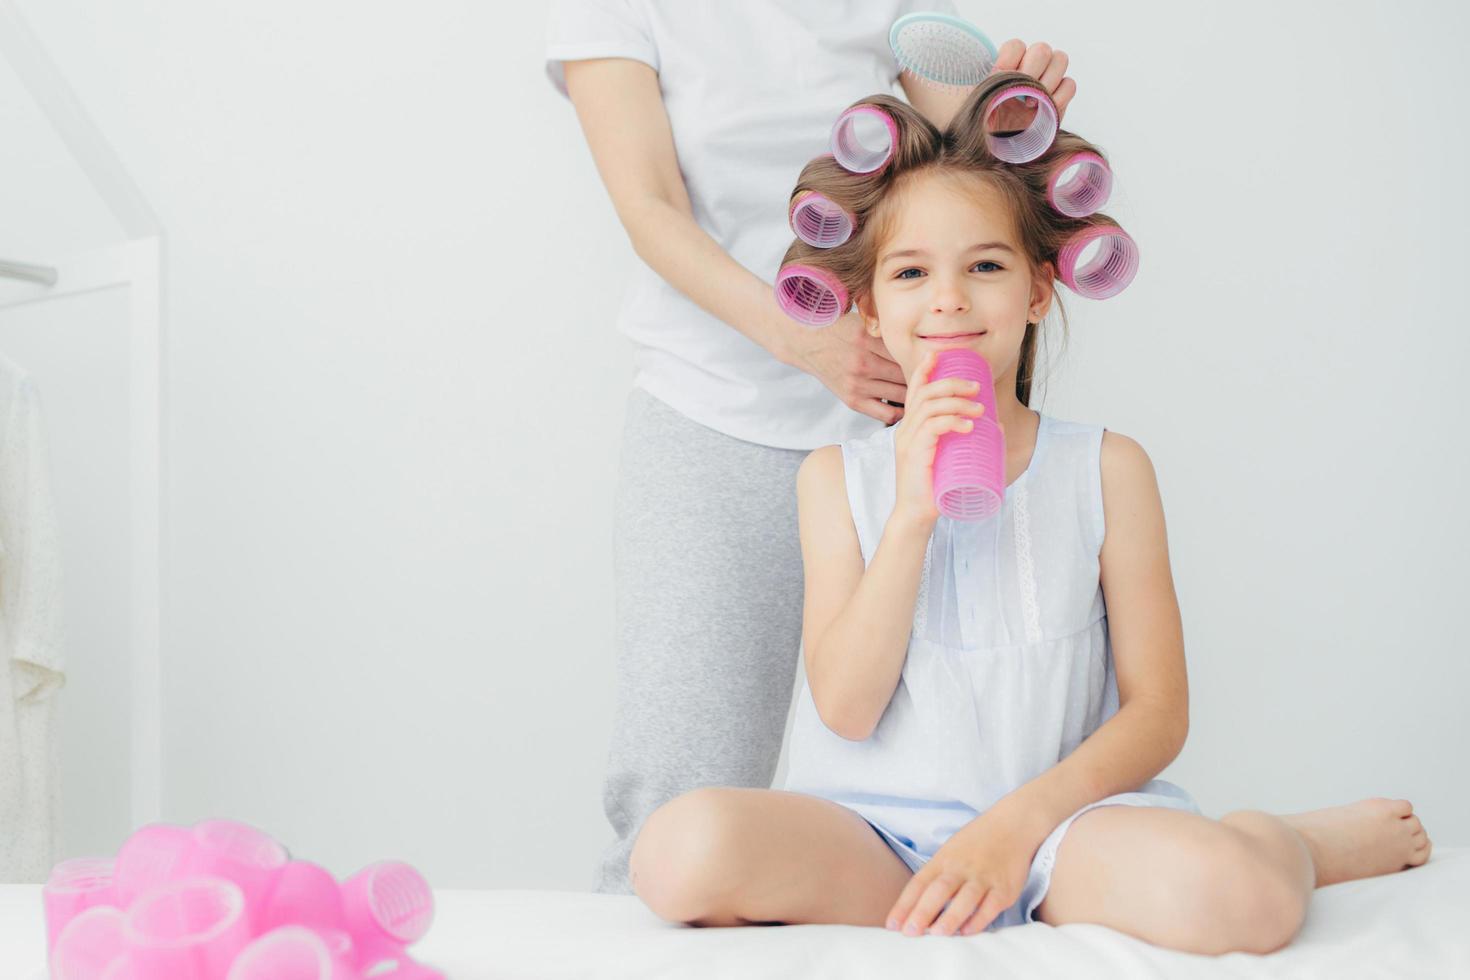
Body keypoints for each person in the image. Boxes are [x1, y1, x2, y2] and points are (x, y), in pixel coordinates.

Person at [625, 77, 1434, 952]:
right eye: (909, 273)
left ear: (1040, 290)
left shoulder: (1108, 469)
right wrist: (910, 517)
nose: (948, 301)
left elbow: (1158, 712)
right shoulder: (835, 480)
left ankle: (1301, 842)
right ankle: (969, 882)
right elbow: (847, 710)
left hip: (1060, 832)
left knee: (1239, 898)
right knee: (678, 854)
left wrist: (1013, 833)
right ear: (867, 307)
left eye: (985, 265)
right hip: (878, 841)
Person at [544, 0, 1078, 895]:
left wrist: (1010, 127)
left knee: (973, 779)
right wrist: (805, 337)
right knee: (679, 796)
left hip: (907, 428)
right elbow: (650, 209)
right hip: (715, 419)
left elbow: (954, 165)